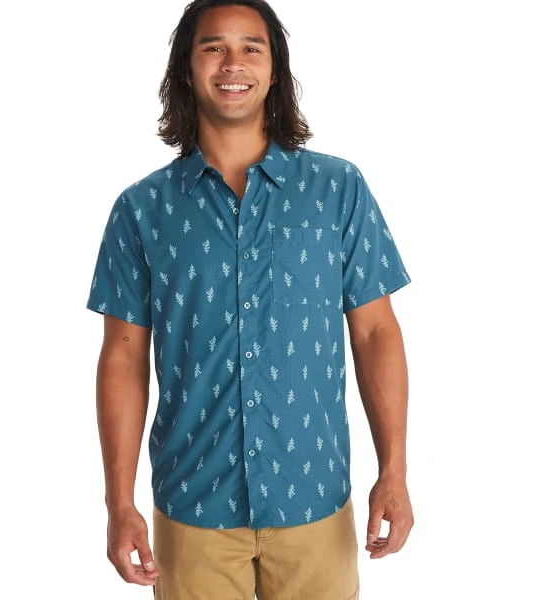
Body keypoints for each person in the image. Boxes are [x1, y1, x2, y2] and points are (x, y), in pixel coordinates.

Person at [86, 0, 414, 598]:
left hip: (314, 501)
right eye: (213, 47)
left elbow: (375, 332)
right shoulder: (142, 210)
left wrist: (394, 468)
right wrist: (118, 502)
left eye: (251, 48)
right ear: (186, 69)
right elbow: (122, 357)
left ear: (274, 70)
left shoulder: (337, 190)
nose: (232, 63)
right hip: (193, 507)